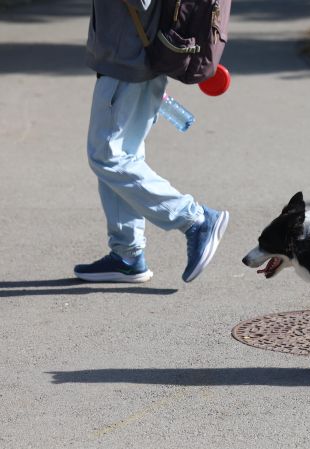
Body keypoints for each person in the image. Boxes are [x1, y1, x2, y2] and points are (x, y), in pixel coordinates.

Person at [74, 0, 229, 283]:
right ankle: (127, 254)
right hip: (138, 56)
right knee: (124, 157)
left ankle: (195, 219)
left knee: (108, 156)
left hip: (128, 61)